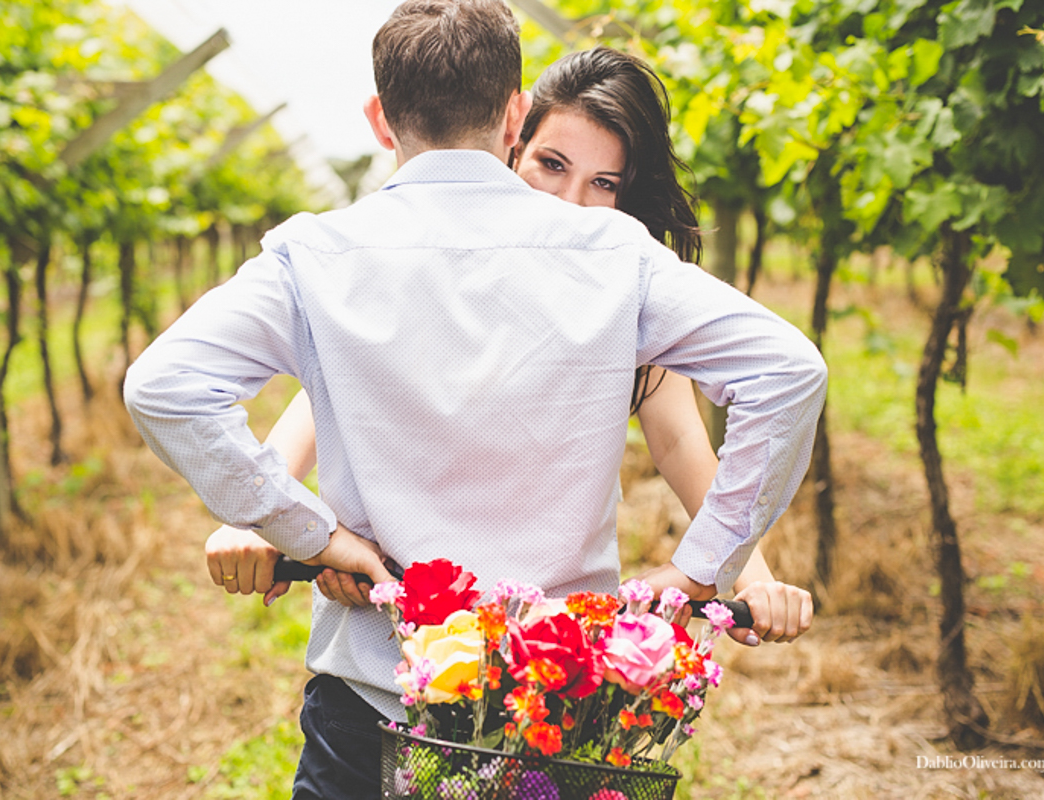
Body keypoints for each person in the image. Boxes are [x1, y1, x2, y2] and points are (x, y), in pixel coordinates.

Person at [123, 2, 827, 797]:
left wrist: (311, 534)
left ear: (381, 118)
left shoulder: (311, 257)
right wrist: (702, 571)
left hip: (373, 697)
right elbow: (789, 373)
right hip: (556, 707)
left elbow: (163, 387)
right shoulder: (615, 254)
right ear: (515, 115)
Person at [206, 46, 814, 646]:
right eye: (552, 164)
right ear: (512, 137)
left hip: (543, 647)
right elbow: (334, 390)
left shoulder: (620, 290)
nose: (569, 201)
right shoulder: (441, 256)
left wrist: (739, 571)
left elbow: (681, 441)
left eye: (603, 183)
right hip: (395, 624)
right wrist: (264, 515)